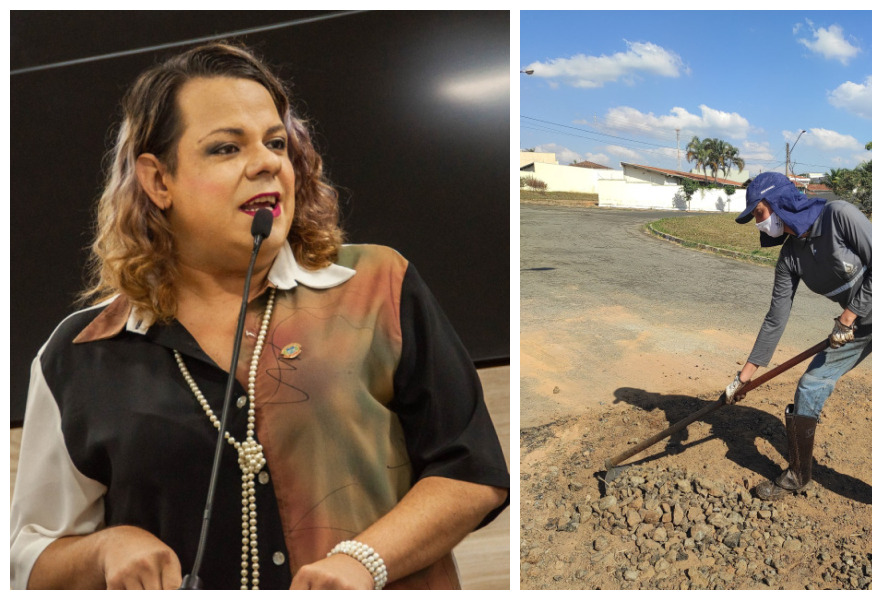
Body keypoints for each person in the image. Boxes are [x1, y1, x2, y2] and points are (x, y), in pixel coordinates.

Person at [10, 41, 509, 590]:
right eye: (226, 148)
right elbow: (29, 557)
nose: (270, 161)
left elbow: (471, 471)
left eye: (276, 142)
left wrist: (365, 560)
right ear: (158, 181)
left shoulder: (379, 286)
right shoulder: (78, 354)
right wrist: (105, 548)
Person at [723, 171, 872, 545]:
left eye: (760, 212)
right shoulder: (789, 257)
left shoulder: (839, 215)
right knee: (809, 385)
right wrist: (745, 375)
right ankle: (799, 474)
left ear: (781, 203)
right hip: (854, 325)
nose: (759, 222)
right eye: (755, 217)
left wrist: (847, 317)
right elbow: (776, 316)